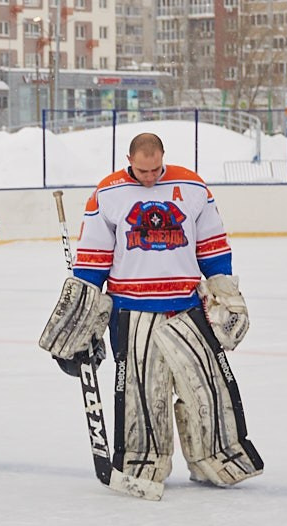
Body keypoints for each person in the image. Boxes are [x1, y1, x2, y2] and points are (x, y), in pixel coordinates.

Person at [62, 132, 259, 495]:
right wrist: (80, 321)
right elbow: (92, 262)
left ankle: (215, 457)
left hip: (186, 306)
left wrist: (224, 290)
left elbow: (212, 243)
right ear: (129, 160)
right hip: (131, 310)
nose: (150, 177)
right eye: (142, 170)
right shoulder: (107, 194)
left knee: (208, 386)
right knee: (141, 393)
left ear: (163, 157)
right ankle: (143, 461)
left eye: (155, 169)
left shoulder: (192, 186)